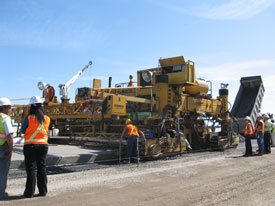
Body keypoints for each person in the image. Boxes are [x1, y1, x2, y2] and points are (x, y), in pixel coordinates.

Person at [21, 96, 50, 198]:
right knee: (42, 168)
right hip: (43, 146)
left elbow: (23, 130)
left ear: (31, 106)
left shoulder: (28, 118)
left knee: (31, 169)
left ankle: (29, 193)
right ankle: (43, 191)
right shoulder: (47, 118)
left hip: (30, 146)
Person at [0, 97, 14, 199]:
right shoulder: (5, 118)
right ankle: (1, 193)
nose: (10, 110)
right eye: (9, 107)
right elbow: (9, 135)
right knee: (3, 171)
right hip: (3, 148)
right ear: (4, 108)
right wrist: (10, 148)